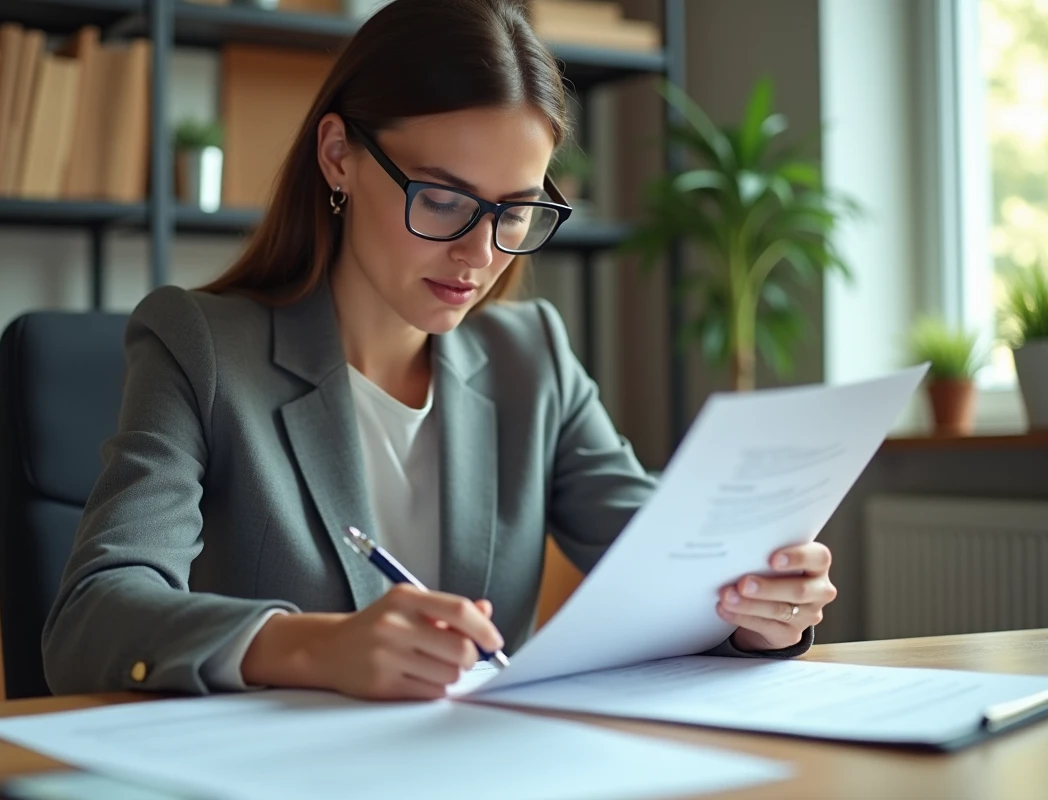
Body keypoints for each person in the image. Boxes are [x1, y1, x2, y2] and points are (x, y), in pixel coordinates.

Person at [42, 0, 837, 702]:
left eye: (516, 210)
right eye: (444, 198)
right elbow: (94, 615)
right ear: (338, 156)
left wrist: (755, 612)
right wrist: (316, 646)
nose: (480, 253)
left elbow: (668, 562)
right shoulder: (202, 347)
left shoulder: (535, 357)